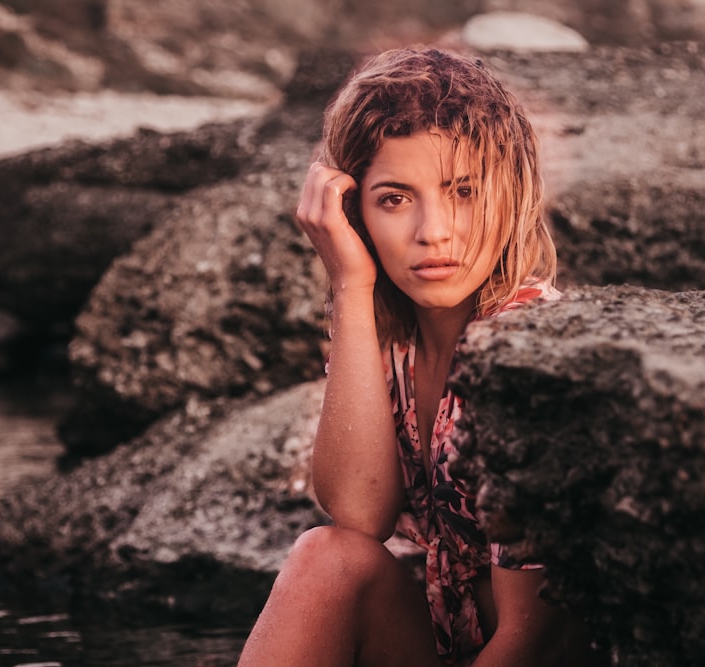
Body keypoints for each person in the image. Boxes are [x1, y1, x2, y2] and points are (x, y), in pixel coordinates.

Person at [238, 47, 603, 667]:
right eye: (394, 199)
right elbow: (358, 517)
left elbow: (534, 638)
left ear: (509, 193)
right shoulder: (394, 340)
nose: (433, 231)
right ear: (353, 215)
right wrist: (349, 289)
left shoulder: (531, 350)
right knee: (326, 557)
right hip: (441, 645)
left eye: (462, 191)